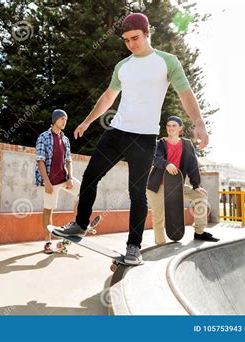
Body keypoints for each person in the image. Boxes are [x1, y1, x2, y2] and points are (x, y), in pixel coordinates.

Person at [53, 12, 209, 265]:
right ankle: (80, 224)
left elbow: (185, 93)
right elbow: (108, 96)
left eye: (135, 38)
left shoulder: (167, 62)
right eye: (126, 40)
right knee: (91, 176)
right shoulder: (122, 66)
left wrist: (199, 123)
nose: (131, 44)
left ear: (148, 33)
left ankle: (133, 248)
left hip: (144, 137)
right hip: (116, 132)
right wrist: (88, 120)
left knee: (137, 192)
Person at [147, 116, 219, 245]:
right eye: (168, 125)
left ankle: (199, 232)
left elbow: (193, 165)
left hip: (177, 186)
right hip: (158, 186)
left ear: (180, 128)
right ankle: (161, 245)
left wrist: (196, 185)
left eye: (174, 125)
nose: (170, 128)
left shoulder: (186, 144)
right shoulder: (160, 143)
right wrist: (166, 164)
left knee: (201, 197)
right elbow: (154, 157)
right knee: (158, 218)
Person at [35, 109, 81, 254]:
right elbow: (40, 161)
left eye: (66, 119)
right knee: (48, 210)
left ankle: (72, 229)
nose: (64, 121)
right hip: (50, 181)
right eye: (62, 119)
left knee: (84, 193)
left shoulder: (65, 139)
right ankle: (48, 242)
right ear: (55, 120)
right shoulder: (43, 137)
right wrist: (47, 182)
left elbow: (69, 160)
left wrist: (69, 178)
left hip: (63, 177)